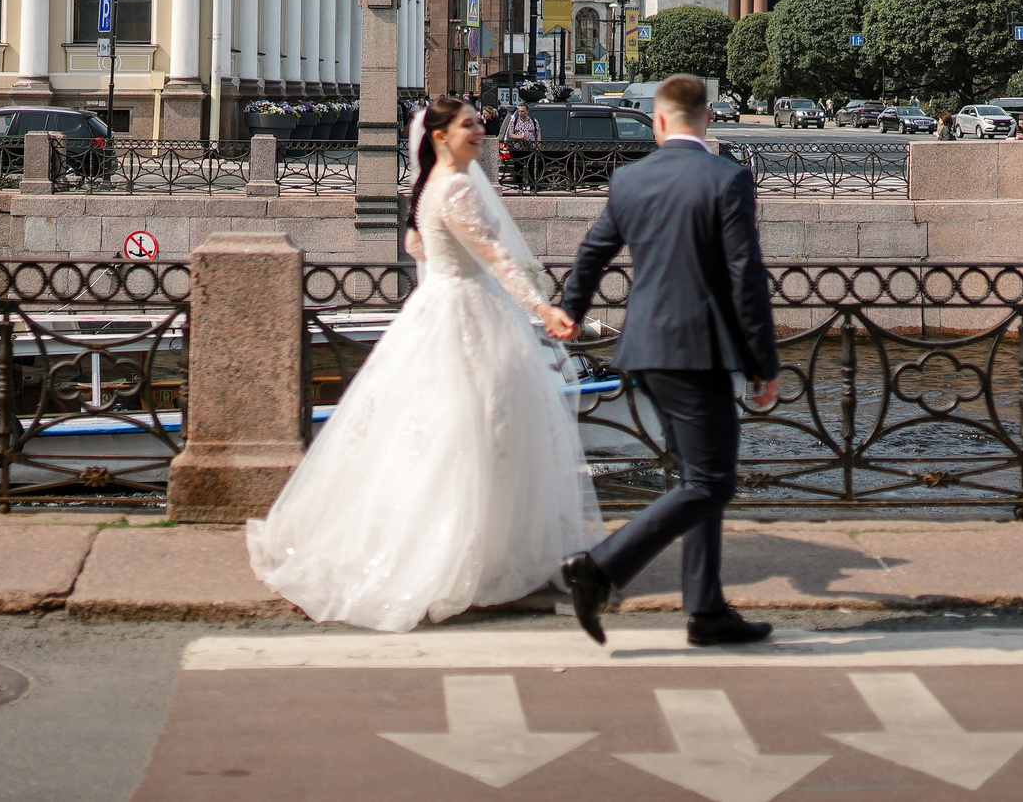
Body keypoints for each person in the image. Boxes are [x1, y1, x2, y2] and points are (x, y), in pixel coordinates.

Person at [246, 92, 602, 632]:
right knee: (477, 432)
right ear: (440, 136)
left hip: (434, 310)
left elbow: (417, 244)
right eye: (468, 126)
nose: (479, 131)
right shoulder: (456, 187)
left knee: (437, 432)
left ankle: (447, 545)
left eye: (479, 123)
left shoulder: (428, 187)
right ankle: (469, 555)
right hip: (466, 311)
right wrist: (543, 309)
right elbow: (496, 256)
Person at [556, 74, 777, 648]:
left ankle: (705, 610)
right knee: (712, 482)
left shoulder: (630, 179)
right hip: (699, 351)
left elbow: (594, 249)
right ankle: (598, 567)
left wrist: (573, 310)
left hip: (644, 352)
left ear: (657, 122)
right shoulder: (727, 177)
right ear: (706, 121)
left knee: (694, 477)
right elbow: (745, 277)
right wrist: (763, 362)